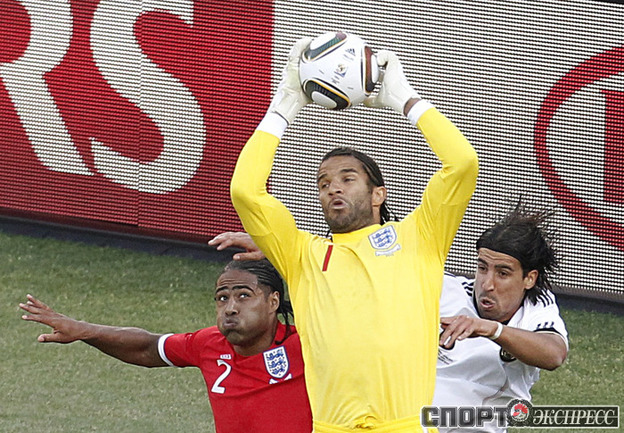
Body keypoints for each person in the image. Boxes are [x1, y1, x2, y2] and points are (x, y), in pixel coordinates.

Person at [230, 37, 479, 432]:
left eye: (348, 179)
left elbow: (462, 164)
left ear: (378, 194)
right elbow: (245, 191)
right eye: (324, 183)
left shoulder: (421, 237)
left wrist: (405, 99)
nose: (334, 188)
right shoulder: (301, 255)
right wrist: (284, 105)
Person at [20, 259, 313, 433]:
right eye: (222, 298)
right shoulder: (209, 344)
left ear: (273, 301)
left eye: (244, 295)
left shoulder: (308, 343)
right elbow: (148, 347)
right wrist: (84, 330)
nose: (230, 308)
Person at [434, 204, 568, 432]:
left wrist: (492, 330)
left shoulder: (535, 308)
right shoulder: (446, 290)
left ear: (529, 278)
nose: (487, 284)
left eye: (502, 273)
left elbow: (554, 354)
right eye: (482, 268)